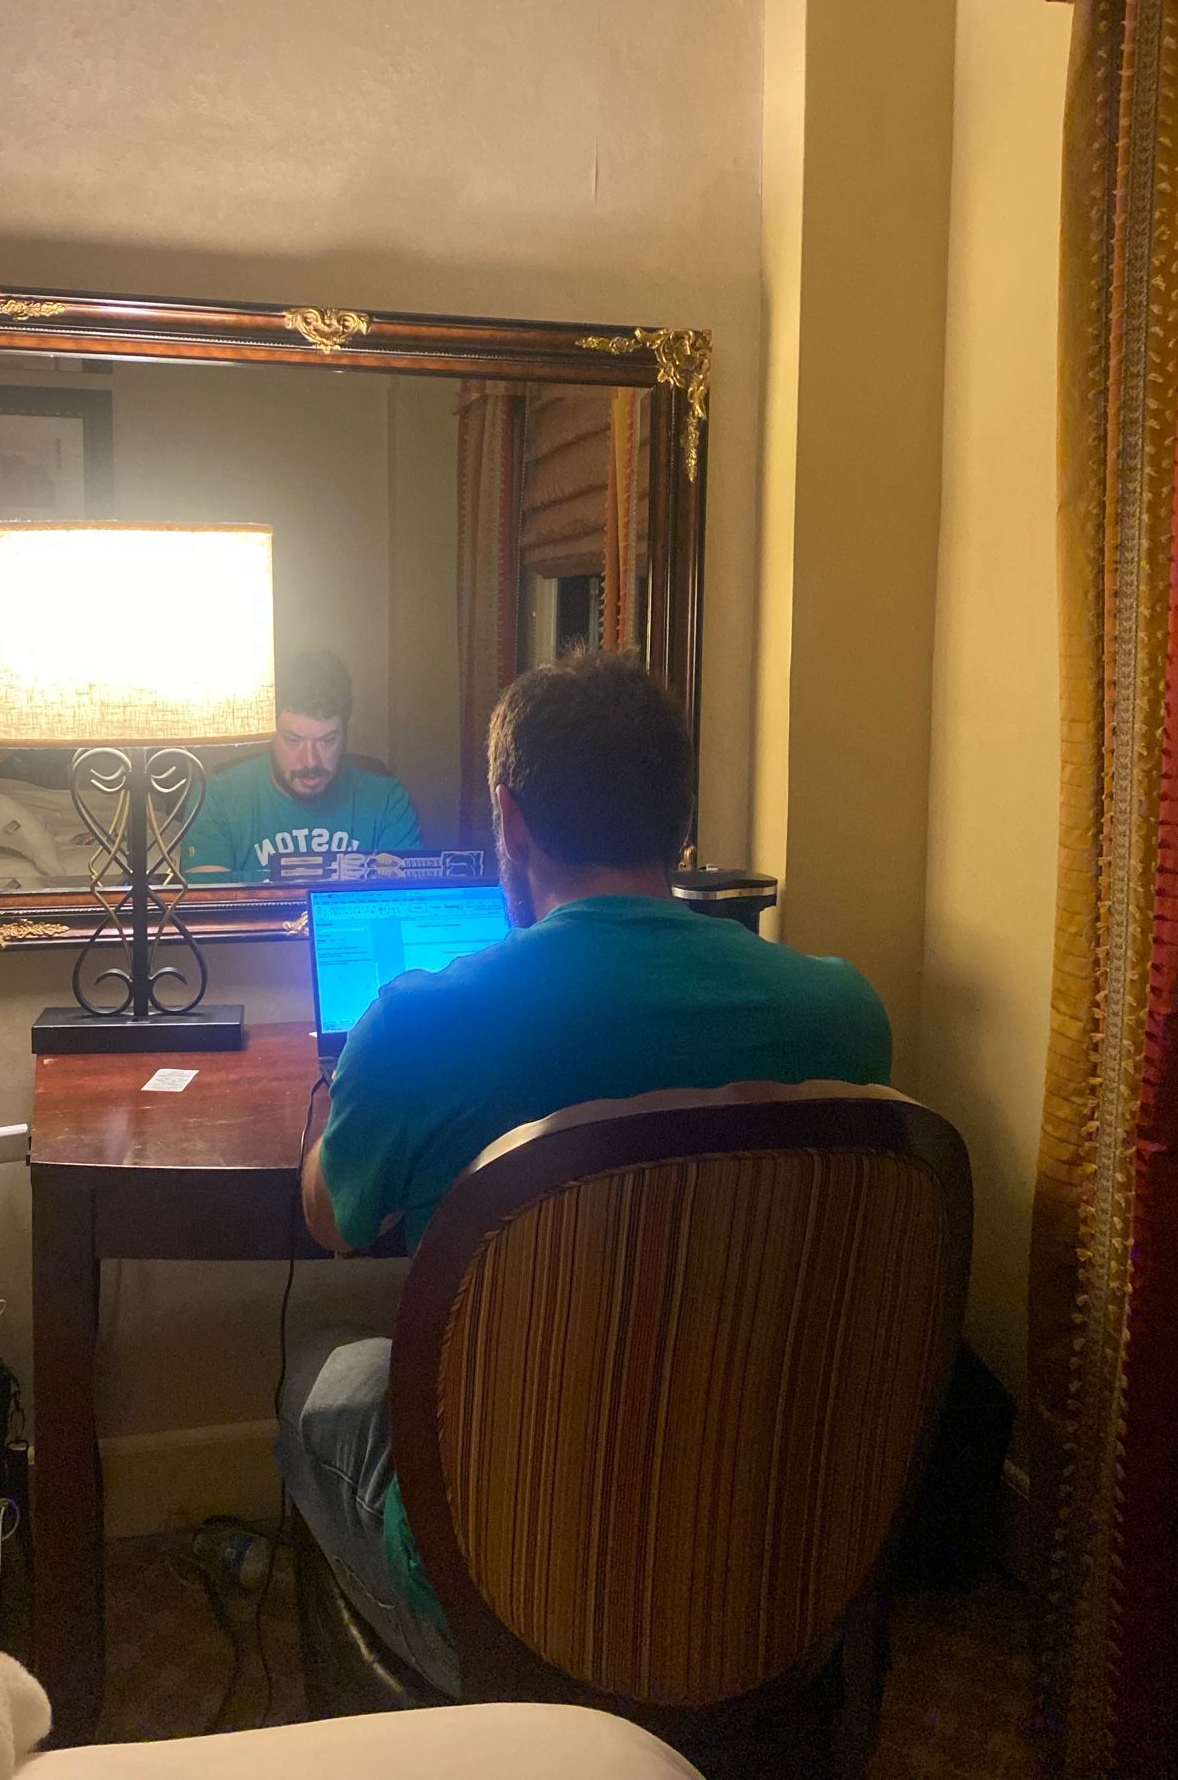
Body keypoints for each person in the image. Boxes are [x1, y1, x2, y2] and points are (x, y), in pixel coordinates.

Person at [275, 649, 892, 1693]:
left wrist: (337, 1107)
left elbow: (334, 1218)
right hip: (769, 1554)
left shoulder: (420, 1021)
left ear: (509, 823)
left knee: (321, 1377)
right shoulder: (844, 1012)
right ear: (676, 821)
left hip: (512, 1594)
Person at [184, 649, 422, 884]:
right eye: (293, 740)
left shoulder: (387, 800)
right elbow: (205, 915)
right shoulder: (216, 797)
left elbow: (404, 906)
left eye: (327, 740)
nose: (310, 761)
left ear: (346, 733)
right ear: (271, 734)